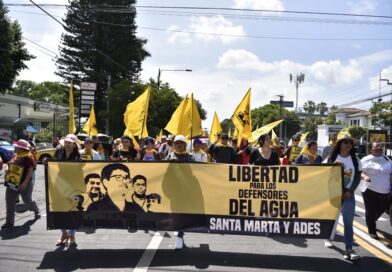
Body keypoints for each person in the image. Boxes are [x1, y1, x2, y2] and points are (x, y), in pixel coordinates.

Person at [327, 134, 362, 260]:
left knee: (348, 223)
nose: (348, 145)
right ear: (339, 144)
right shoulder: (331, 157)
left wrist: (350, 191)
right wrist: (332, 167)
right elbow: (323, 175)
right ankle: (328, 238)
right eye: (345, 142)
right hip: (334, 194)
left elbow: (357, 177)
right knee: (332, 220)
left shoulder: (355, 159)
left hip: (348, 195)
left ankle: (349, 249)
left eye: (350, 142)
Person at [165, 135, 196, 250]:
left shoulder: (190, 157)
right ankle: (179, 230)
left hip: (186, 189)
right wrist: (169, 163)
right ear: (173, 145)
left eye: (181, 143)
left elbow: (196, 171)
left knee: (184, 212)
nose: (179, 145)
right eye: (177, 143)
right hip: (174, 189)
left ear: (185, 145)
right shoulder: (169, 156)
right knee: (175, 211)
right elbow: (161, 170)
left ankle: (180, 234)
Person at [2, 139, 40, 229]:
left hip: (25, 183)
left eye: (17, 147)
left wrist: (24, 183)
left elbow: (30, 172)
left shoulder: (28, 158)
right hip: (12, 182)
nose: (15, 148)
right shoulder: (15, 156)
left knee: (27, 200)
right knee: (9, 201)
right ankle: (9, 223)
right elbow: (9, 164)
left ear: (23, 149)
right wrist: (7, 168)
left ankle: (36, 210)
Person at [360, 142, 392, 239]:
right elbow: (359, 171)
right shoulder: (366, 160)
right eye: (376, 146)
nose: (379, 148)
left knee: (382, 208)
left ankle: (371, 220)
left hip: (386, 191)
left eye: (380, 146)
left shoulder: (386, 159)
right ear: (371, 149)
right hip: (370, 189)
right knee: (371, 210)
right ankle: (372, 230)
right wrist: (365, 176)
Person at [54, 134, 81, 247]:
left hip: (73, 188)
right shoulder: (59, 154)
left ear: (75, 145)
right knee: (60, 211)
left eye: (69, 142)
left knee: (73, 212)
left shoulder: (79, 158)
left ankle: (72, 235)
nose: (67, 144)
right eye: (65, 142)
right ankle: (64, 233)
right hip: (60, 186)